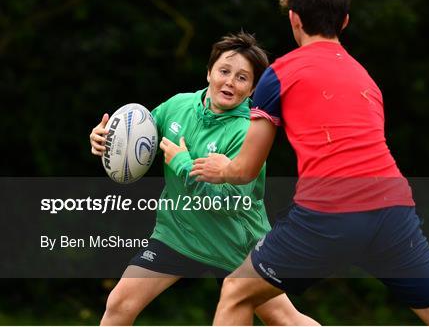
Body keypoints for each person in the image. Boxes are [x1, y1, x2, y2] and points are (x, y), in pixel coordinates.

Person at [190, 0, 429, 326]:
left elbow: (245, 169)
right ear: (344, 22)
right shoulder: (366, 78)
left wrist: (221, 168)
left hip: (330, 213)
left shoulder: (281, 73)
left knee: (236, 290)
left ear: (294, 19)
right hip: (393, 211)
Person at [89, 32, 318, 326]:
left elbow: (231, 202)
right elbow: (138, 138)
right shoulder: (178, 106)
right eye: (224, 71)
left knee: (286, 320)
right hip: (178, 232)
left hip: (235, 244)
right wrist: (106, 141)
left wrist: (185, 166)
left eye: (242, 78)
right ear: (209, 72)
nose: (230, 82)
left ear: (252, 90)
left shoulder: (249, 132)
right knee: (119, 304)